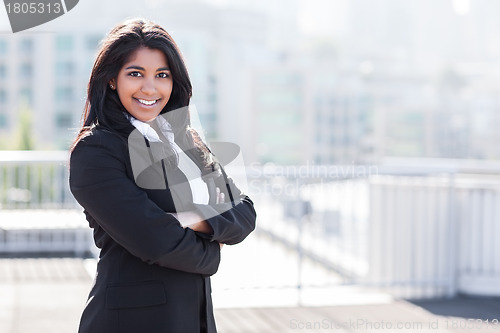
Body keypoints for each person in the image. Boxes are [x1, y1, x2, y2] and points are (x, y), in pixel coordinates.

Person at [69, 18, 256, 333]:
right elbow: (158, 243)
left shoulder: (186, 140)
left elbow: (245, 212)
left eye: (162, 75)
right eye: (135, 74)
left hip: (194, 320)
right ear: (112, 79)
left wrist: (194, 218)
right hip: (130, 322)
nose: (150, 87)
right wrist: (213, 252)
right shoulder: (97, 151)